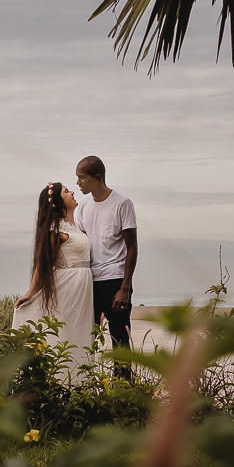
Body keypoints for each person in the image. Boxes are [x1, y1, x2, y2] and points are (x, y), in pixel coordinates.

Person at [13, 182, 94, 377]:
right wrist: (30, 294)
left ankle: (80, 380)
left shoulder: (77, 226)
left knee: (80, 332)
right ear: (58, 201)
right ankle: (59, 379)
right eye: (66, 191)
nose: (72, 192)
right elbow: (43, 265)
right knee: (66, 332)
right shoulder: (55, 229)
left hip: (83, 288)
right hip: (67, 287)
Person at [74, 156, 137, 353]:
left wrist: (125, 287)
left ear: (97, 178)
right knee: (85, 340)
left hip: (115, 281)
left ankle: (123, 375)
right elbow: (80, 244)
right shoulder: (83, 206)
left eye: (82, 177)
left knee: (120, 341)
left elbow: (132, 246)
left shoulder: (122, 203)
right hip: (89, 282)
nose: (78, 182)